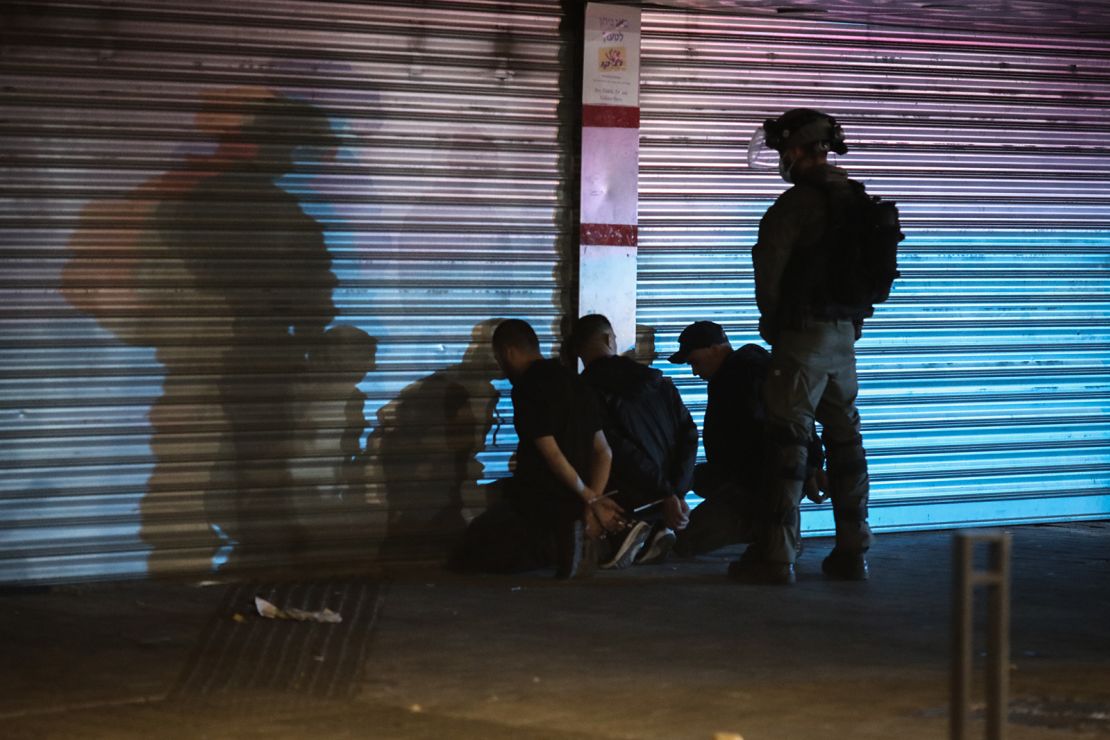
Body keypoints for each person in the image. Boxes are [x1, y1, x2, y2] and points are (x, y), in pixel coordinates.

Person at [742, 108, 876, 584]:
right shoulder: (854, 198)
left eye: (784, 150)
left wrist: (775, 323)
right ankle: (853, 550)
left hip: (803, 336)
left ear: (799, 149)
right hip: (845, 336)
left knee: (788, 441)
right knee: (846, 442)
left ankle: (777, 558)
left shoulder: (796, 204)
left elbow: (770, 269)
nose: (783, 158)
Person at [450, 319, 617, 578]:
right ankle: (574, 536)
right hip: (576, 498)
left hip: (540, 501)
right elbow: (604, 452)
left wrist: (590, 499)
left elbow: (550, 454)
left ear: (508, 352)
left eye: (498, 358)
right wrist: (593, 500)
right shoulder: (577, 382)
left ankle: (560, 540)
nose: (500, 366)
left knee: (469, 553)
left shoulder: (527, 387)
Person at [667, 321, 824, 561]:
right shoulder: (734, 372)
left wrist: (809, 468)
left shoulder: (743, 375)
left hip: (758, 482)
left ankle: (772, 532)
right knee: (697, 479)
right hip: (751, 476)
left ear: (715, 349)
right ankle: (774, 527)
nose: (694, 372)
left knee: (681, 543)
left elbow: (791, 424)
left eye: (695, 362)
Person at [570, 314, 698, 568]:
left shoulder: (586, 390)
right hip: (666, 495)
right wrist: (677, 491)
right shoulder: (657, 380)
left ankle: (623, 533)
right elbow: (689, 434)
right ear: (608, 339)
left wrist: (666, 493)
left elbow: (618, 450)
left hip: (635, 496)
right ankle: (654, 533)